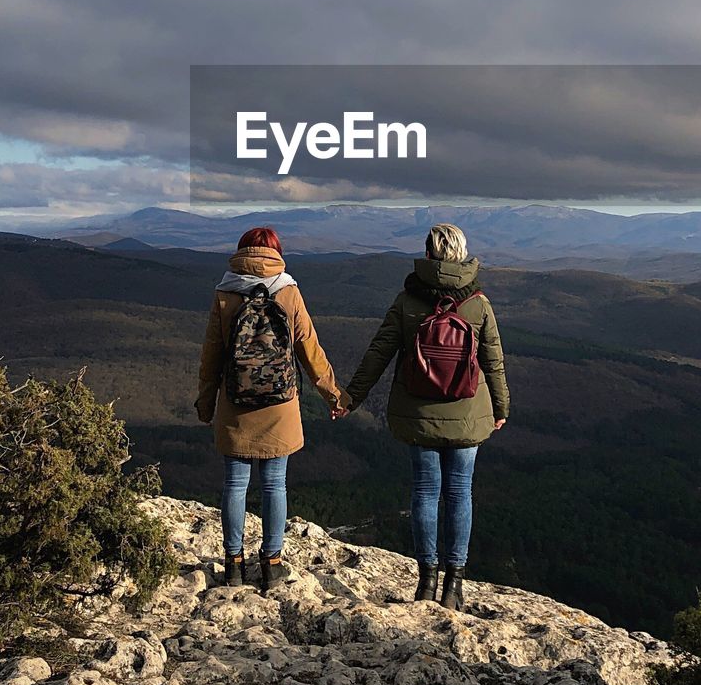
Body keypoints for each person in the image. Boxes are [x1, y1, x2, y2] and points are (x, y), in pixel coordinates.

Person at [338, 223, 509, 611]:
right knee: (460, 493)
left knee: (425, 493)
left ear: (429, 254)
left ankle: (426, 581)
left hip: (418, 413)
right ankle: (455, 585)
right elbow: (493, 363)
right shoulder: (478, 303)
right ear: (462, 254)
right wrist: (501, 408)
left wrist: (351, 397)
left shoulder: (407, 300)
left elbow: (378, 353)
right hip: (468, 414)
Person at [196, 226, 345, 592]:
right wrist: (333, 395)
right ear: (276, 253)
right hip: (280, 403)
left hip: (236, 402)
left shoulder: (224, 293)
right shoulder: (288, 291)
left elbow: (212, 354)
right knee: (275, 484)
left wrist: (206, 402)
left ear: (241, 252)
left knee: (235, 485)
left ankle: (233, 565)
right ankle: (272, 563)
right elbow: (310, 349)